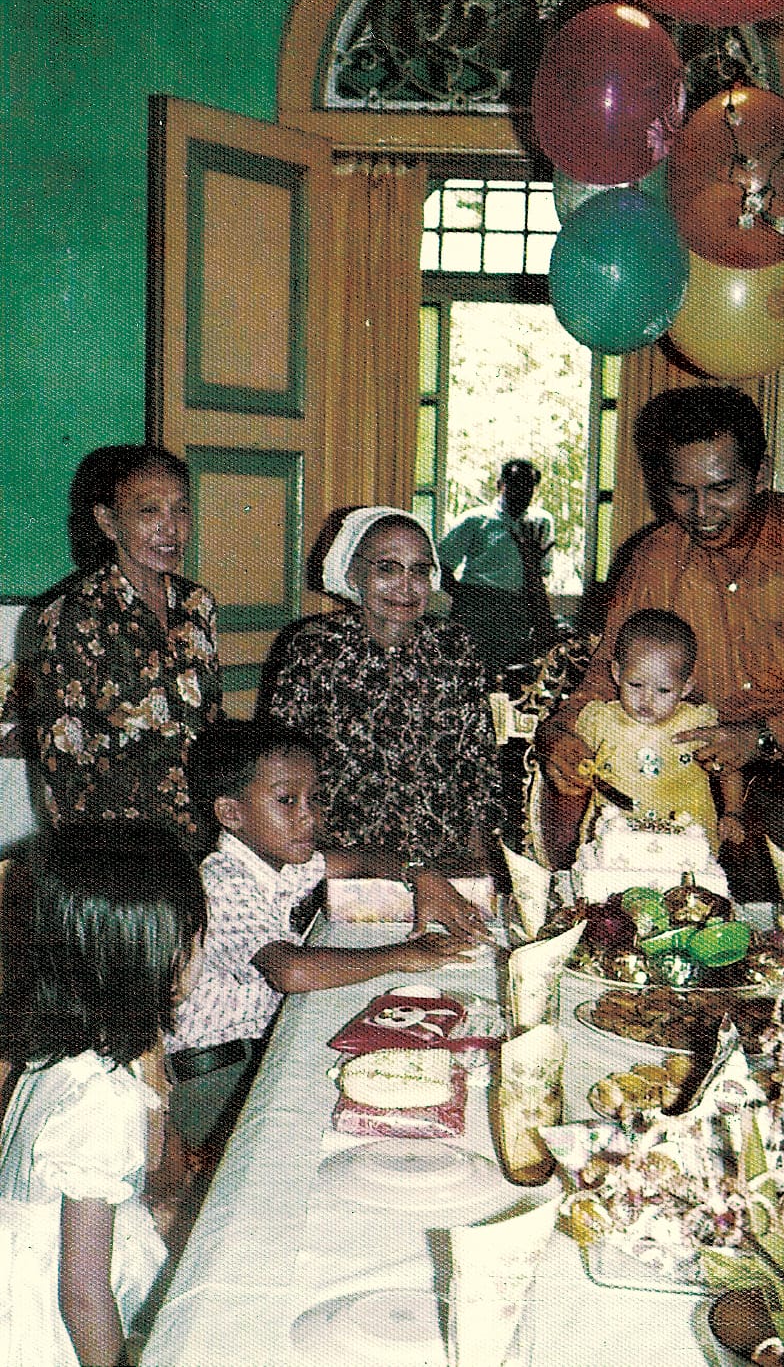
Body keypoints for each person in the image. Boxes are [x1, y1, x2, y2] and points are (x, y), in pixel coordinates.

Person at [536, 385, 784, 919]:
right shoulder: (653, 560)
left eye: (721, 488)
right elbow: (602, 682)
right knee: (710, 951)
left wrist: (762, 736)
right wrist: (558, 735)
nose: (701, 511)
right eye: (682, 491)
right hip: (709, 794)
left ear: (760, 475)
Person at [166, 719, 487, 1153]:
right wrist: (402, 955)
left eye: (314, 799)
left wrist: (420, 874)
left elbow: (360, 859)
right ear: (231, 814)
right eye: (287, 800)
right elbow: (291, 972)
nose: (309, 817)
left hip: (248, 1053)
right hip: (213, 1083)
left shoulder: (272, 860)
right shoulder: (223, 880)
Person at [0, 822, 208, 1367]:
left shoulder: (55, 1052)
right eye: (194, 939)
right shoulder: (104, 1099)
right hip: (47, 1326)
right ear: (155, 960)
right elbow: (84, 1294)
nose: (201, 954)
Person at [259, 506, 503, 868]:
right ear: (354, 574)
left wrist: (481, 862)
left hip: (442, 854)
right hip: (349, 858)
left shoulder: (454, 647)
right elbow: (281, 763)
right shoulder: (315, 647)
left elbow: (478, 764)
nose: (406, 586)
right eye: (387, 568)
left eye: (420, 570)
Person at [30, 444, 223, 847]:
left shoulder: (197, 604)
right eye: (149, 511)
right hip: (120, 845)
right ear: (108, 522)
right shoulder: (73, 614)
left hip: (200, 832)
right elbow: (61, 759)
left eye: (181, 510)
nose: (169, 529)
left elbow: (213, 726)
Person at [575, 608, 745, 853]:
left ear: (685, 687)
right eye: (635, 685)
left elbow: (729, 766)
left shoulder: (695, 725)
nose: (647, 700)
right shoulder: (599, 719)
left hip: (685, 842)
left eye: (663, 690)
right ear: (617, 673)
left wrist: (733, 812)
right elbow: (573, 755)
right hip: (615, 841)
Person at [438, 459, 557, 678]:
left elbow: (542, 574)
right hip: (476, 609)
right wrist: (464, 596)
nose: (522, 491)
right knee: (471, 673)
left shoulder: (541, 523)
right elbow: (439, 566)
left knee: (515, 677)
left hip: (519, 610)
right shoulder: (474, 520)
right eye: (515, 484)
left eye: (528, 485)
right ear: (500, 484)